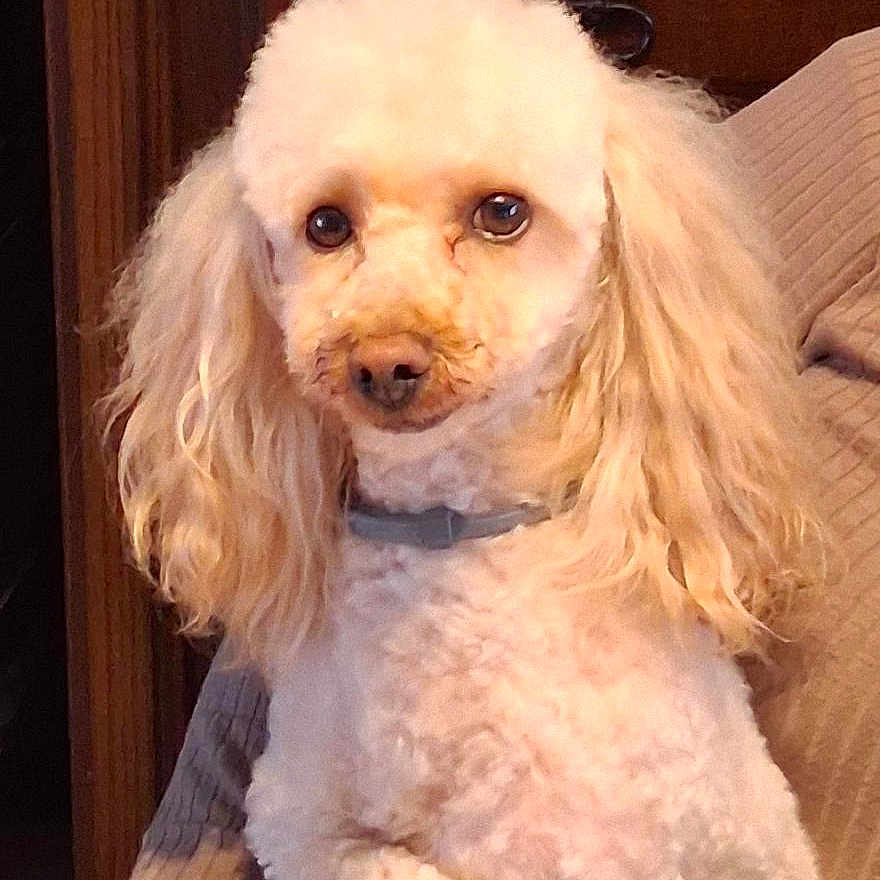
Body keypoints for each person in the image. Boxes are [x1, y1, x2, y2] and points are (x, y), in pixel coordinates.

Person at [130, 28, 880, 880]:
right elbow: (300, 829)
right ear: (263, 262)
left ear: (602, 241)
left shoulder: (640, 633)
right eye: (330, 228)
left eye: (498, 216)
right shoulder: (326, 639)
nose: (390, 335)